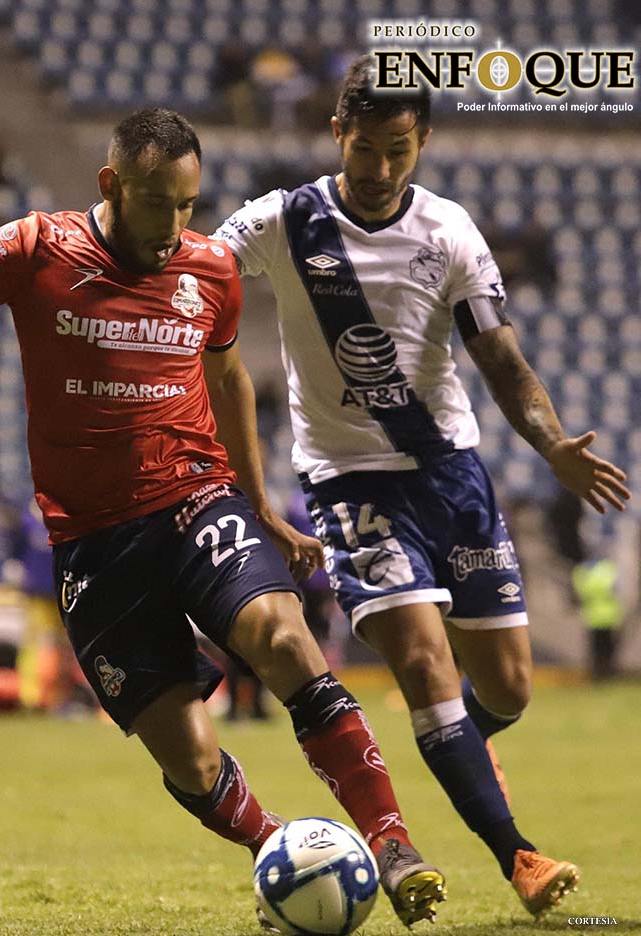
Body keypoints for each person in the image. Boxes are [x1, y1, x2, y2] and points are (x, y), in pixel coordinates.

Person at [0, 107, 446, 928]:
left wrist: (262, 505)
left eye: (189, 206)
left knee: (283, 638)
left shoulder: (211, 270)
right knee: (191, 757)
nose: (175, 227)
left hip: (196, 497)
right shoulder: (37, 247)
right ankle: (286, 855)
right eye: (158, 203)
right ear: (111, 184)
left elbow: (231, 381)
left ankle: (391, 842)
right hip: (93, 542)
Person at [212, 56, 631, 920]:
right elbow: (194, 275)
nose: (379, 170)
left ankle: (464, 749)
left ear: (424, 140)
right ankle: (516, 854)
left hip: (451, 477)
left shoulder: (450, 233)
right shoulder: (284, 221)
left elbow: (503, 361)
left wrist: (552, 444)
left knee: (508, 686)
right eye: (365, 148)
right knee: (420, 660)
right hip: (348, 482)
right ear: (338, 133)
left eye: (399, 150)